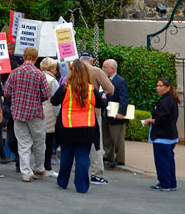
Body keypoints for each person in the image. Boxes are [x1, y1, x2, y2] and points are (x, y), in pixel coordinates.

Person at [50, 60, 105, 193]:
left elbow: (53, 101)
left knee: (66, 155)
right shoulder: (91, 89)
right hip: (86, 127)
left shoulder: (65, 88)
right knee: (82, 157)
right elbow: (100, 105)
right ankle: (82, 187)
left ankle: (62, 182)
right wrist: (103, 98)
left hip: (67, 126)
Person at [3, 47, 50, 182]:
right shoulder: (39, 74)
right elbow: (46, 95)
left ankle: (25, 173)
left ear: (23, 57)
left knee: (23, 144)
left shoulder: (14, 73)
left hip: (18, 112)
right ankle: (38, 169)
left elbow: (6, 92)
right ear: (35, 59)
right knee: (39, 142)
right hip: (35, 112)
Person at [79, 51, 114, 185]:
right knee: (95, 143)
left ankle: (78, 170)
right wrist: (103, 94)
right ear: (92, 60)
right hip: (93, 110)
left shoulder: (74, 70)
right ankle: (96, 174)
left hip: (74, 110)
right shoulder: (95, 71)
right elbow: (110, 89)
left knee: (77, 141)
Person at [144, 77, 181, 191]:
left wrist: (149, 121)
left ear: (168, 87)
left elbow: (161, 119)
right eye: (157, 85)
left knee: (162, 161)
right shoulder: (170, 100)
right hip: (170, 136)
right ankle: (171, 183)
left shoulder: (166, 101)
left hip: (162, 136)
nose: (158, 88)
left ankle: (164, 183)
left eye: (161, 86)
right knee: (169, 160)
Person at [102, 58, 129, 168]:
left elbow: (124, 98)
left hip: (116, 113)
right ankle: (108, 155)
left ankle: (119, 158)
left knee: (117, 137)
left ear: (112, 69)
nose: (103, 69)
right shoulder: (105, 80)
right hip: (106, 112)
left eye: (105, 67)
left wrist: (121, 112)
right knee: (106, 136)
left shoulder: (121, 81)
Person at [40, 57, 60, 178]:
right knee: (49, 142)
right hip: (50, 113)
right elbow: (55, 100)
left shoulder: (37, 76)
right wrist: (59, 115)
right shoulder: (52, 81)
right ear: (51, 67)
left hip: (37, 112)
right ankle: (47, 167)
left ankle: (38, 166)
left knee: (38, 142)